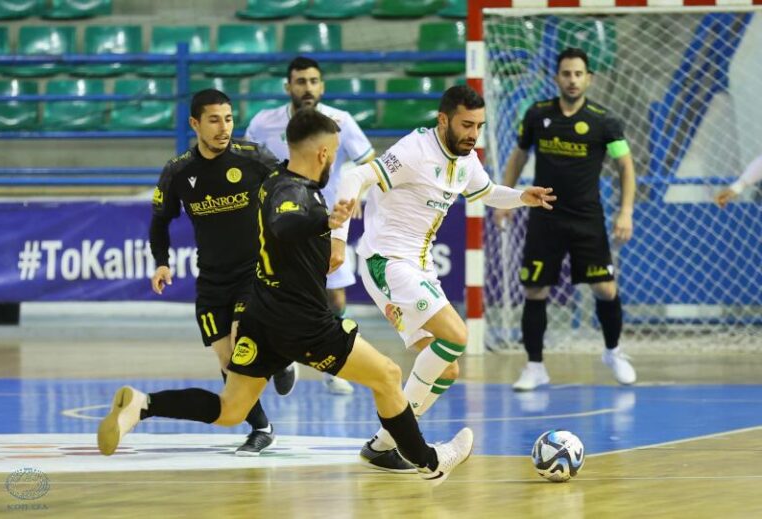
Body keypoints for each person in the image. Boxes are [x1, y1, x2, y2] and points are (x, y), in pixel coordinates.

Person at [98, 108, 474, 487]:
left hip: (263, 317)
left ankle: (143, 405)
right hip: (304, 322)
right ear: (324, 154)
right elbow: (283, 223)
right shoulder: (294, 193)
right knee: (389, 377)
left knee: (231, 408)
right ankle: (430, 462)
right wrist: (322, 222)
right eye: (335, 150)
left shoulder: (273, 177)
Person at [330, 85, 556, 472]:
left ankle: (383, 445)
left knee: (447, 368)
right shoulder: (415, 151)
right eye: (466, 125)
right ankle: (409, 446)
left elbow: (485, 191)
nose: (473, 134)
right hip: (387, 260)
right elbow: (354, 177)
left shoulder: (466, 160)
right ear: (442, 119)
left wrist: (522, 196)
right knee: (457, 335)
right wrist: (337, 240)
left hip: (419, 267)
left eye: (479, 126)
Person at [148, 88, 296, 455]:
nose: (223, 127)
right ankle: (262, 427)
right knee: (228, 362)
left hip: (255, 272)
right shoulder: (179, 171)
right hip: (212, 279)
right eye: (214, 120)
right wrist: (162, 262)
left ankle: (279, 354)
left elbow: (289, 188)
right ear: (195, 123)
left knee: (244, 341)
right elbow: (159, 221)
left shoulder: (253, 157)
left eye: (228, 119)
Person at [498, 47, 637, 391]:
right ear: (556, 77)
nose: (572, 80)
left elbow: (626, 166)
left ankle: (613, 351)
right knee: (534, 289)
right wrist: (505, 197)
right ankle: (534, 366)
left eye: (578, 74)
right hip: (545, 217)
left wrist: (626, 211)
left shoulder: (605, 121)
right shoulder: (537, 114)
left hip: (587, 219)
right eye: (566, 74)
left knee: (605, 289)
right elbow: (518, 155)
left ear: (589, 78)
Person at [245, 56, 375, 396]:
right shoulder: (263, 123)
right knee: (277, 290)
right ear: (288, 86)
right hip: (279, 225)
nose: (307, 88)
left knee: (333, 294)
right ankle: (282, 356)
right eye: (300, 81)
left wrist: (357, 195)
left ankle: (332, 367)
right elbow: (246, 160)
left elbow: (368, 164)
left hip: (327, 224)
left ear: (322, 86)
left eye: (313, 81)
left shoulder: (340, 121)